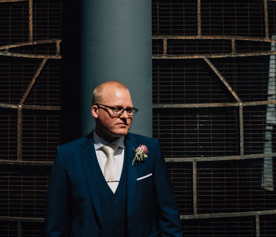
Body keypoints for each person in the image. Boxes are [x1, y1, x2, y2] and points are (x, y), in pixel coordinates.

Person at [45, 80, 183, 237]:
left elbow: (168, 214)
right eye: (117, 109)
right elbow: (56, 224)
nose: (125, 117)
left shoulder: (151, 149)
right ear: (95, 110)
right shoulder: (67, 155)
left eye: (129, 110)